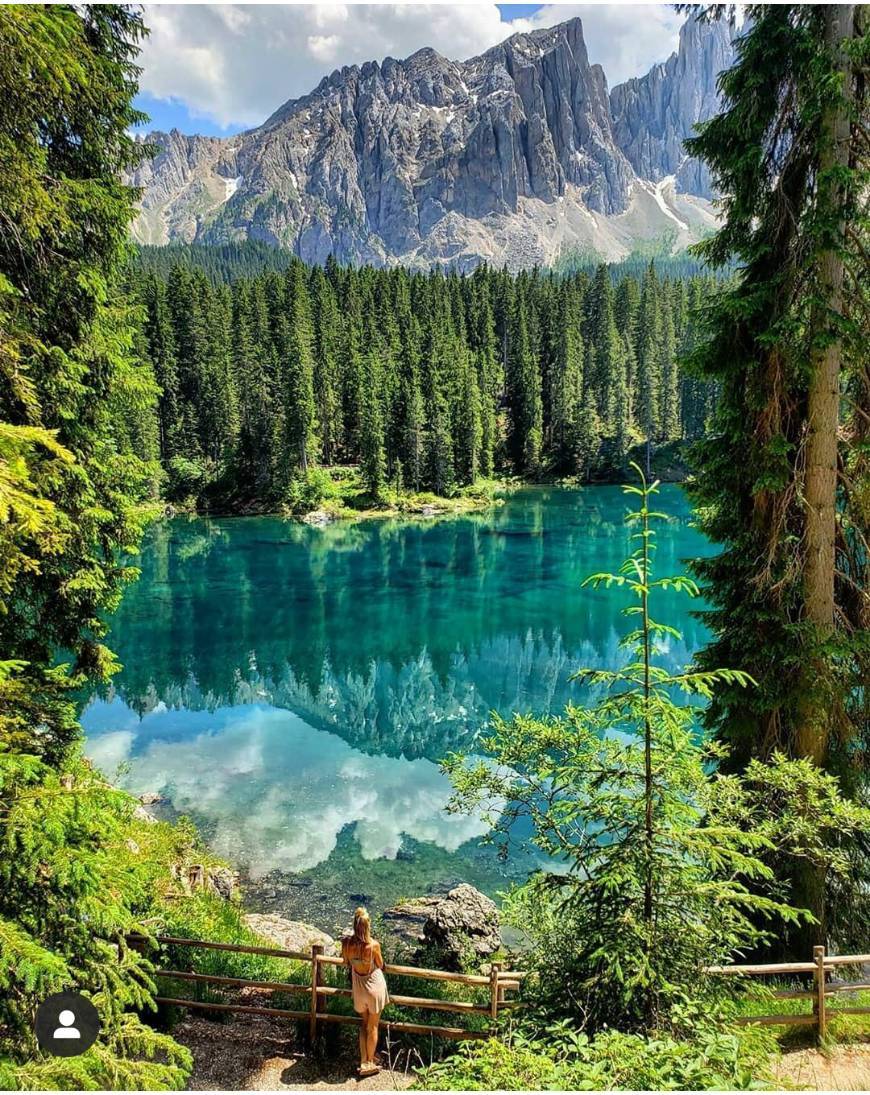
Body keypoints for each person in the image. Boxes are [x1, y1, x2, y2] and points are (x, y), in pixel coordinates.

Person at [341, 906, 388, 1076]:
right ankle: (369, 1061)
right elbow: (381, 965)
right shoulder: (373, 945)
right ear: (367, 926)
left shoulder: (346, 943)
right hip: (374, 986)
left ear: (354, 925)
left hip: (359, 987)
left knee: (364, 1023)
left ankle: (363, 1059)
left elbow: (346, 962)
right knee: (373, 1026)